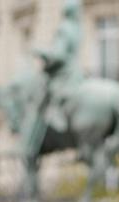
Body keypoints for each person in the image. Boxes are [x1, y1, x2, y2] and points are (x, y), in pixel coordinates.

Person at [34, 0, 83, 133]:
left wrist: (40, 52)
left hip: (65, 71)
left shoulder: (64, 28)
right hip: (77, 72)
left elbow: (58, 54)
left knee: (43, 92)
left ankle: (56, 116)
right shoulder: (77, 28)